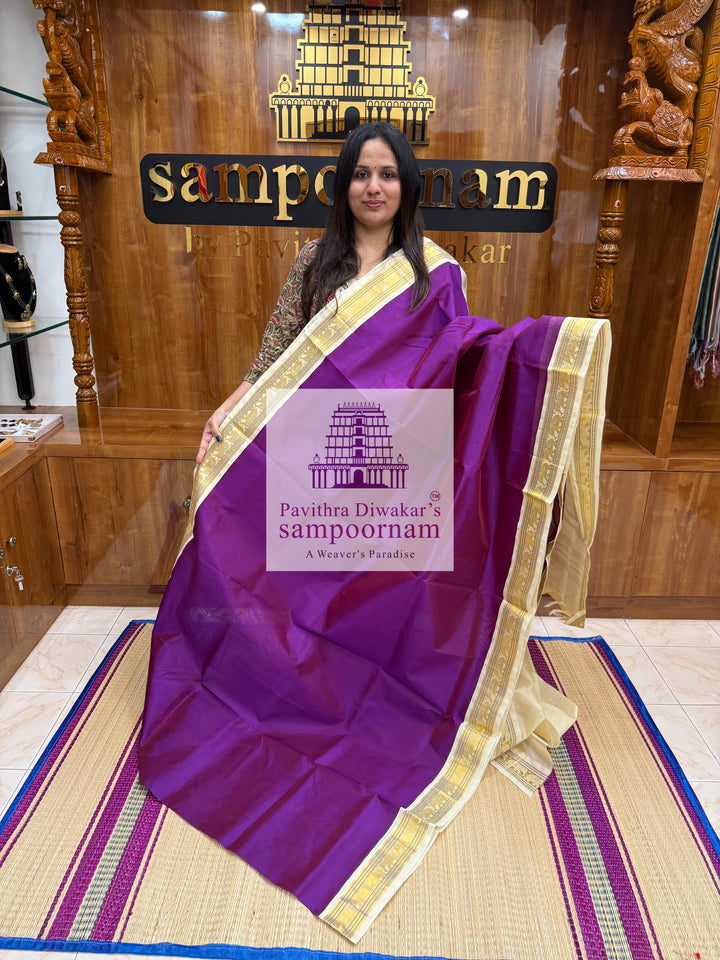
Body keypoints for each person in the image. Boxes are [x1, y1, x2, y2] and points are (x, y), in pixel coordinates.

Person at [140, 123, 610, 943]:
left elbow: (464, 363)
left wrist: (537, 350)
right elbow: (277, 356)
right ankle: (282, 678)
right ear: (344, 185)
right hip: (309, 452)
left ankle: (372, 690)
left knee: (377, 602)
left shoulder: (437, 271)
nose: (373, 186)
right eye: (361, 173)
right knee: (281, 580)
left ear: (408, 185)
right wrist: (230, 408)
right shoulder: (313, 264)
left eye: (388, 174)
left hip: (394, 461)